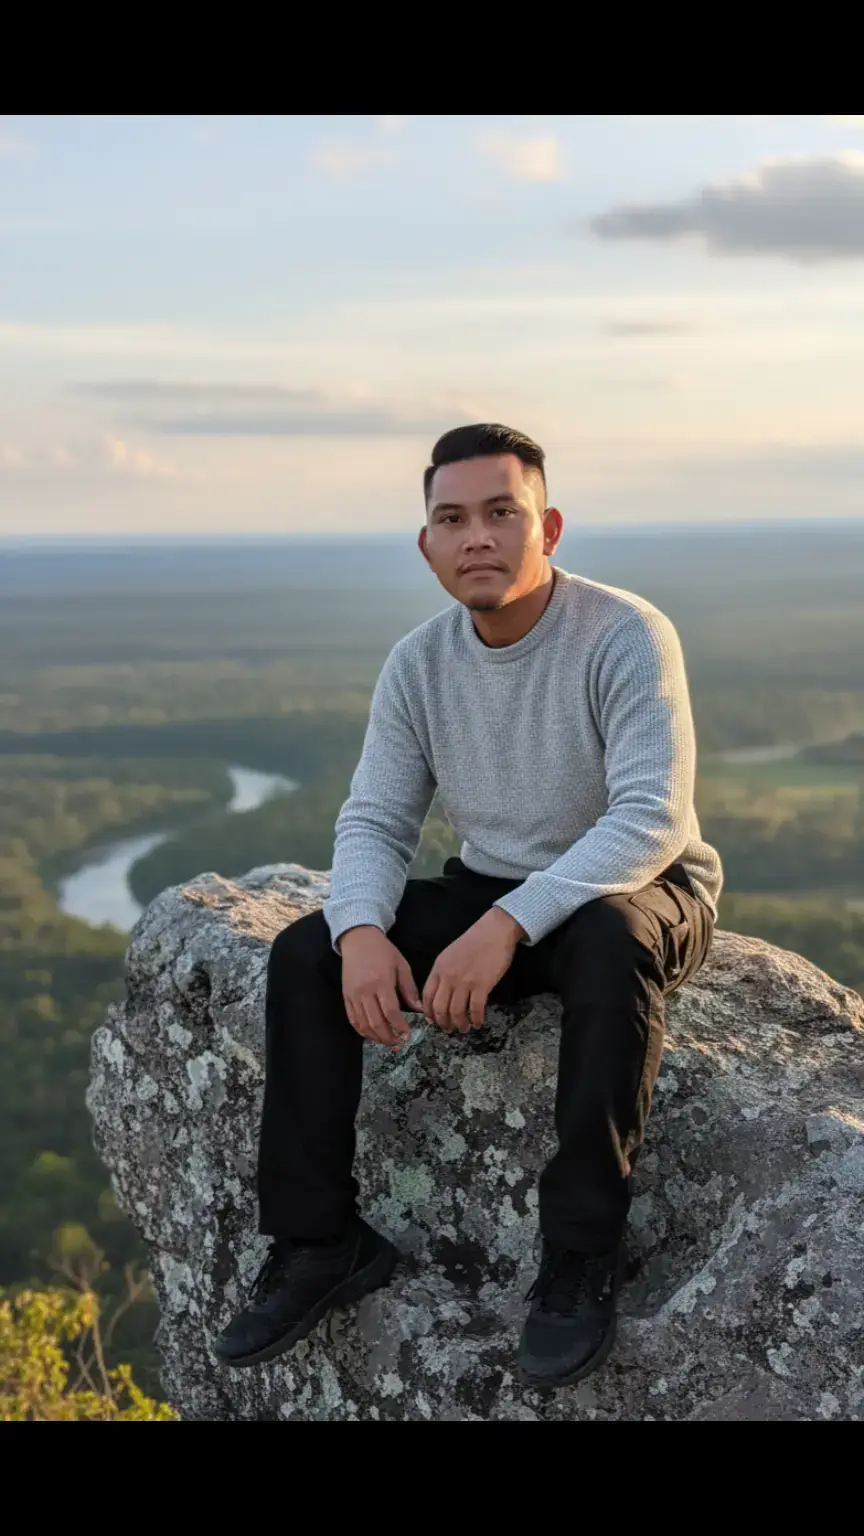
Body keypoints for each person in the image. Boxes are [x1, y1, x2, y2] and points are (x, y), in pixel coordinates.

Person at [214, 423, 722, 1388]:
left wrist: (505, 926)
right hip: (494, 885)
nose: (477, 537)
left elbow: (651, 818)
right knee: (305, 953)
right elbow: (374, 818)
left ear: (550, 527)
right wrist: (360, 931)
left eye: (502, 513)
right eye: (452, 518)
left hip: (637, 889)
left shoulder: (624, 632)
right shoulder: (419, 663)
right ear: (427, 544)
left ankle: (578, 1257)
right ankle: (319, 1241)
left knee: (612, 946)